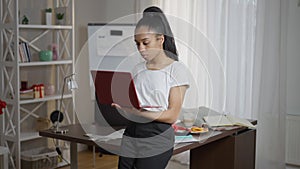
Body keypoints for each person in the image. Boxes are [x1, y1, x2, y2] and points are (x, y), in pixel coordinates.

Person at [112, 6, 190, 169]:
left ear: (160, 39)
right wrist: (124, 108)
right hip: (132, 132)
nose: (141, 49)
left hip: (157, 137)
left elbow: (171, 116)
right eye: (137, 43)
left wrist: (139, 112)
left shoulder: (177, 70)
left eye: (146, 43)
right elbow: (134, 104)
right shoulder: (137, 70)